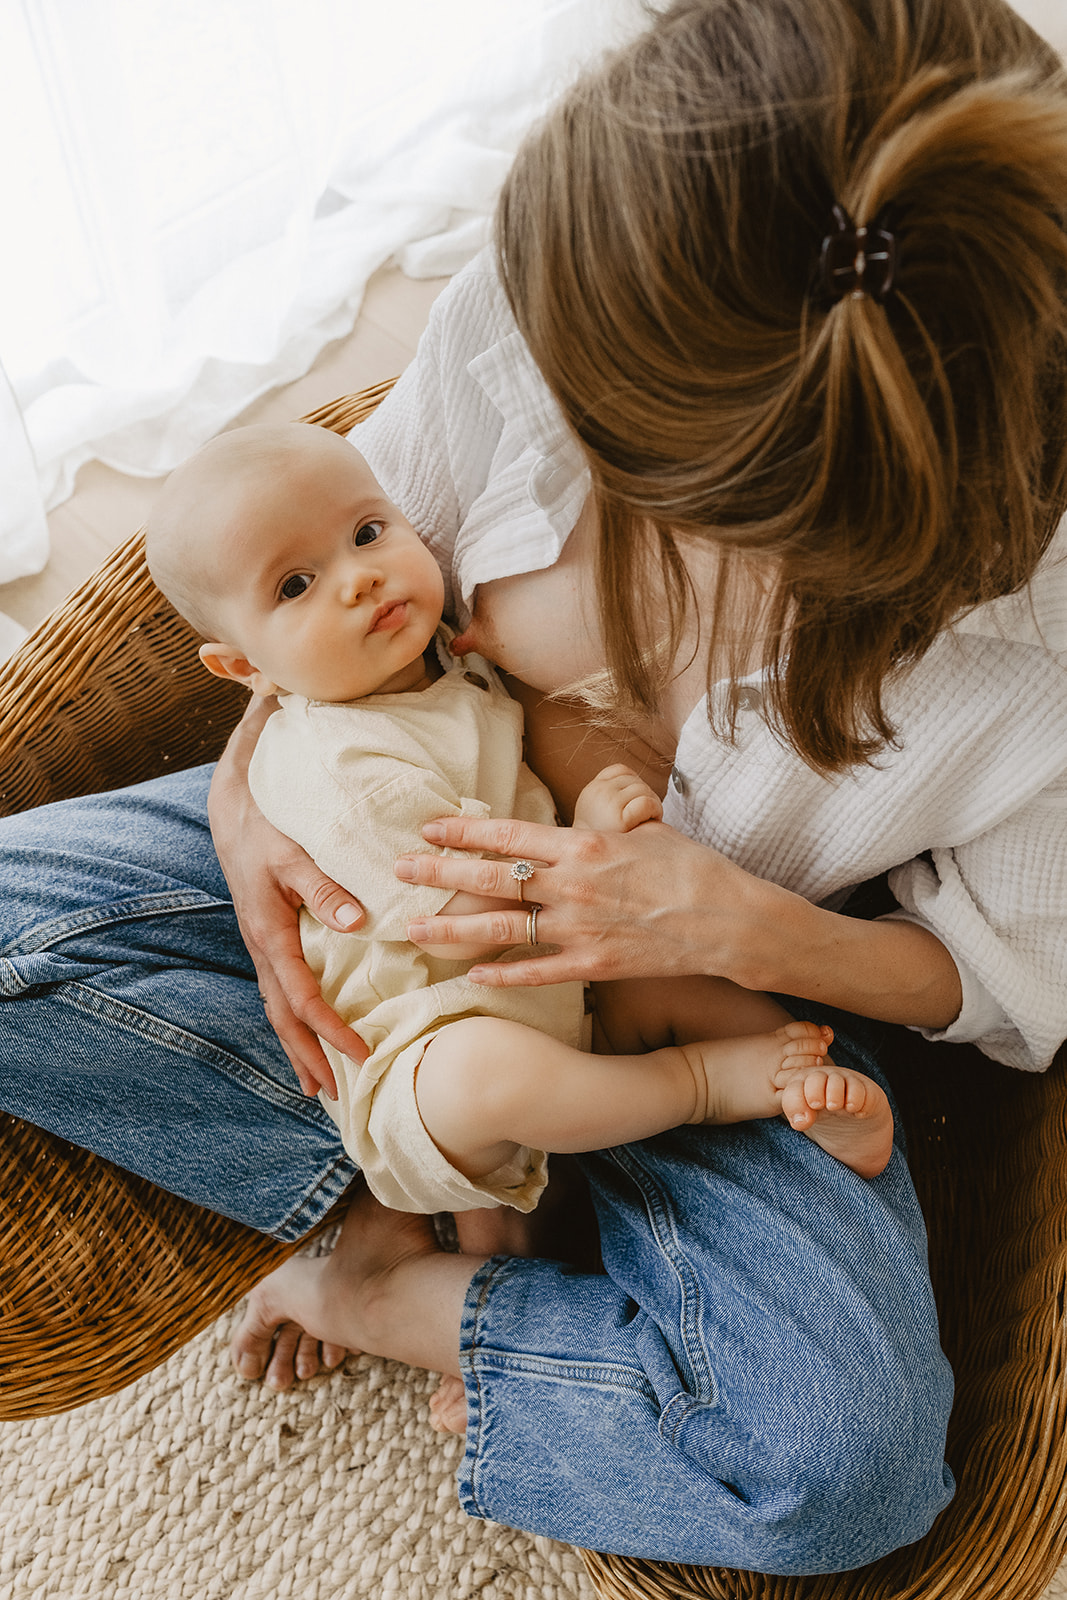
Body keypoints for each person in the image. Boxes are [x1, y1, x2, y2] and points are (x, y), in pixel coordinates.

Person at [3, 0, 1067, 1572]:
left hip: (697, 1009)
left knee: (840, 1474)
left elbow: (1016, 985)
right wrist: (245, 801)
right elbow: (343, 576)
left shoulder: (1024, 645)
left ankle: (399, 1287)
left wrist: (744, 928)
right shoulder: (570, 270)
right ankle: (398, 1165)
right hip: (397, 906)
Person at [145, 419, 893, 1218]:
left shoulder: (447, 662)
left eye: (367, 533)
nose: (357, 579)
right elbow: (464, 927)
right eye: (295, 586)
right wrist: (594, 844)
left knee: (679, 962)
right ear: (245, 668)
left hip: (566, 993)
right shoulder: (338, 767)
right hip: (427, 1055)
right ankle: (700, 1084)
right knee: (488, 1072)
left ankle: (807, 1096)